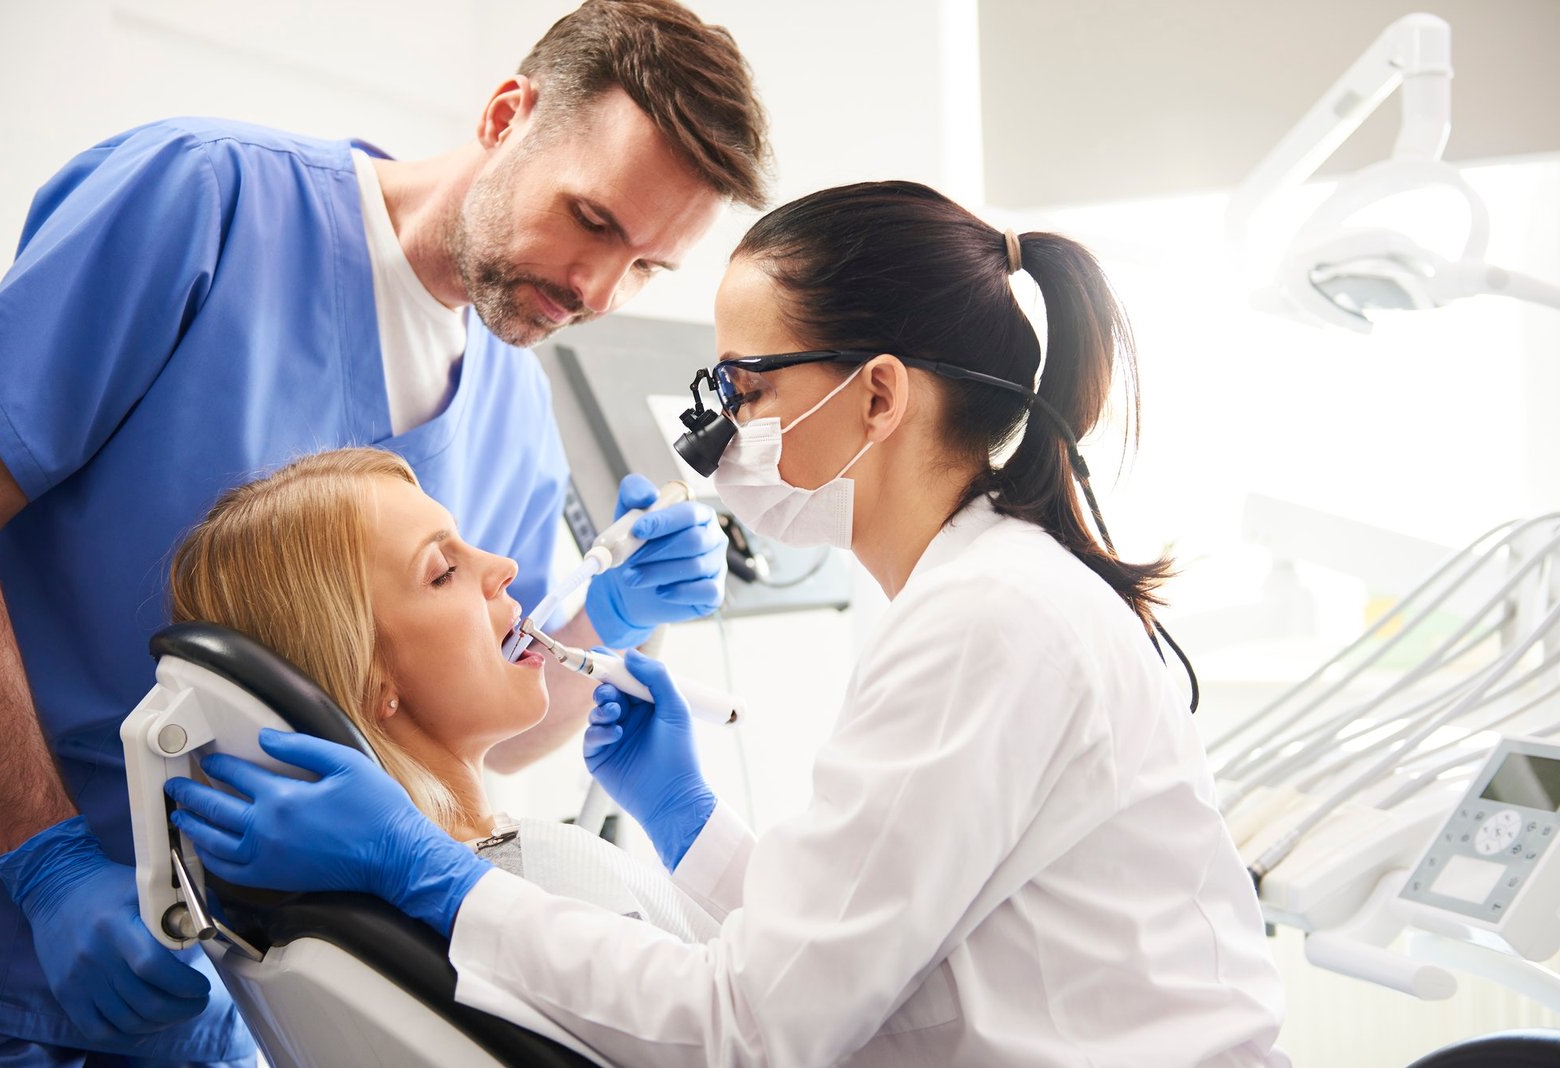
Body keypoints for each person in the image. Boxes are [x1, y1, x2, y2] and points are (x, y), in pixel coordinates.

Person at [167, 181, 1291, 1067]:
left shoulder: (990, 623)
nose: (717, 427)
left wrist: (430, 872)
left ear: (881, 397)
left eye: (744, 386)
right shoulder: (986, 600)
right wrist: (684, 817)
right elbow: (834, 950)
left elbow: (754, 1026)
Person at [0, 1, 766, 1064]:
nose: (595, 290)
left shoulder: (511, 405)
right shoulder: (205, 204)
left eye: (648, 268)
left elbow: (471, 725)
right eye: (593, 220)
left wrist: (603, 620)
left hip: (236, 1004)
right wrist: (45, 860)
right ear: (506, 112)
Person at [168, 447, 718, 947]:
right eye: (443, 572)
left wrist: (687, 824)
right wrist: (688, 824)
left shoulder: (459, 899)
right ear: (369, 682)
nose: (506, 569)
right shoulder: (526, 899)